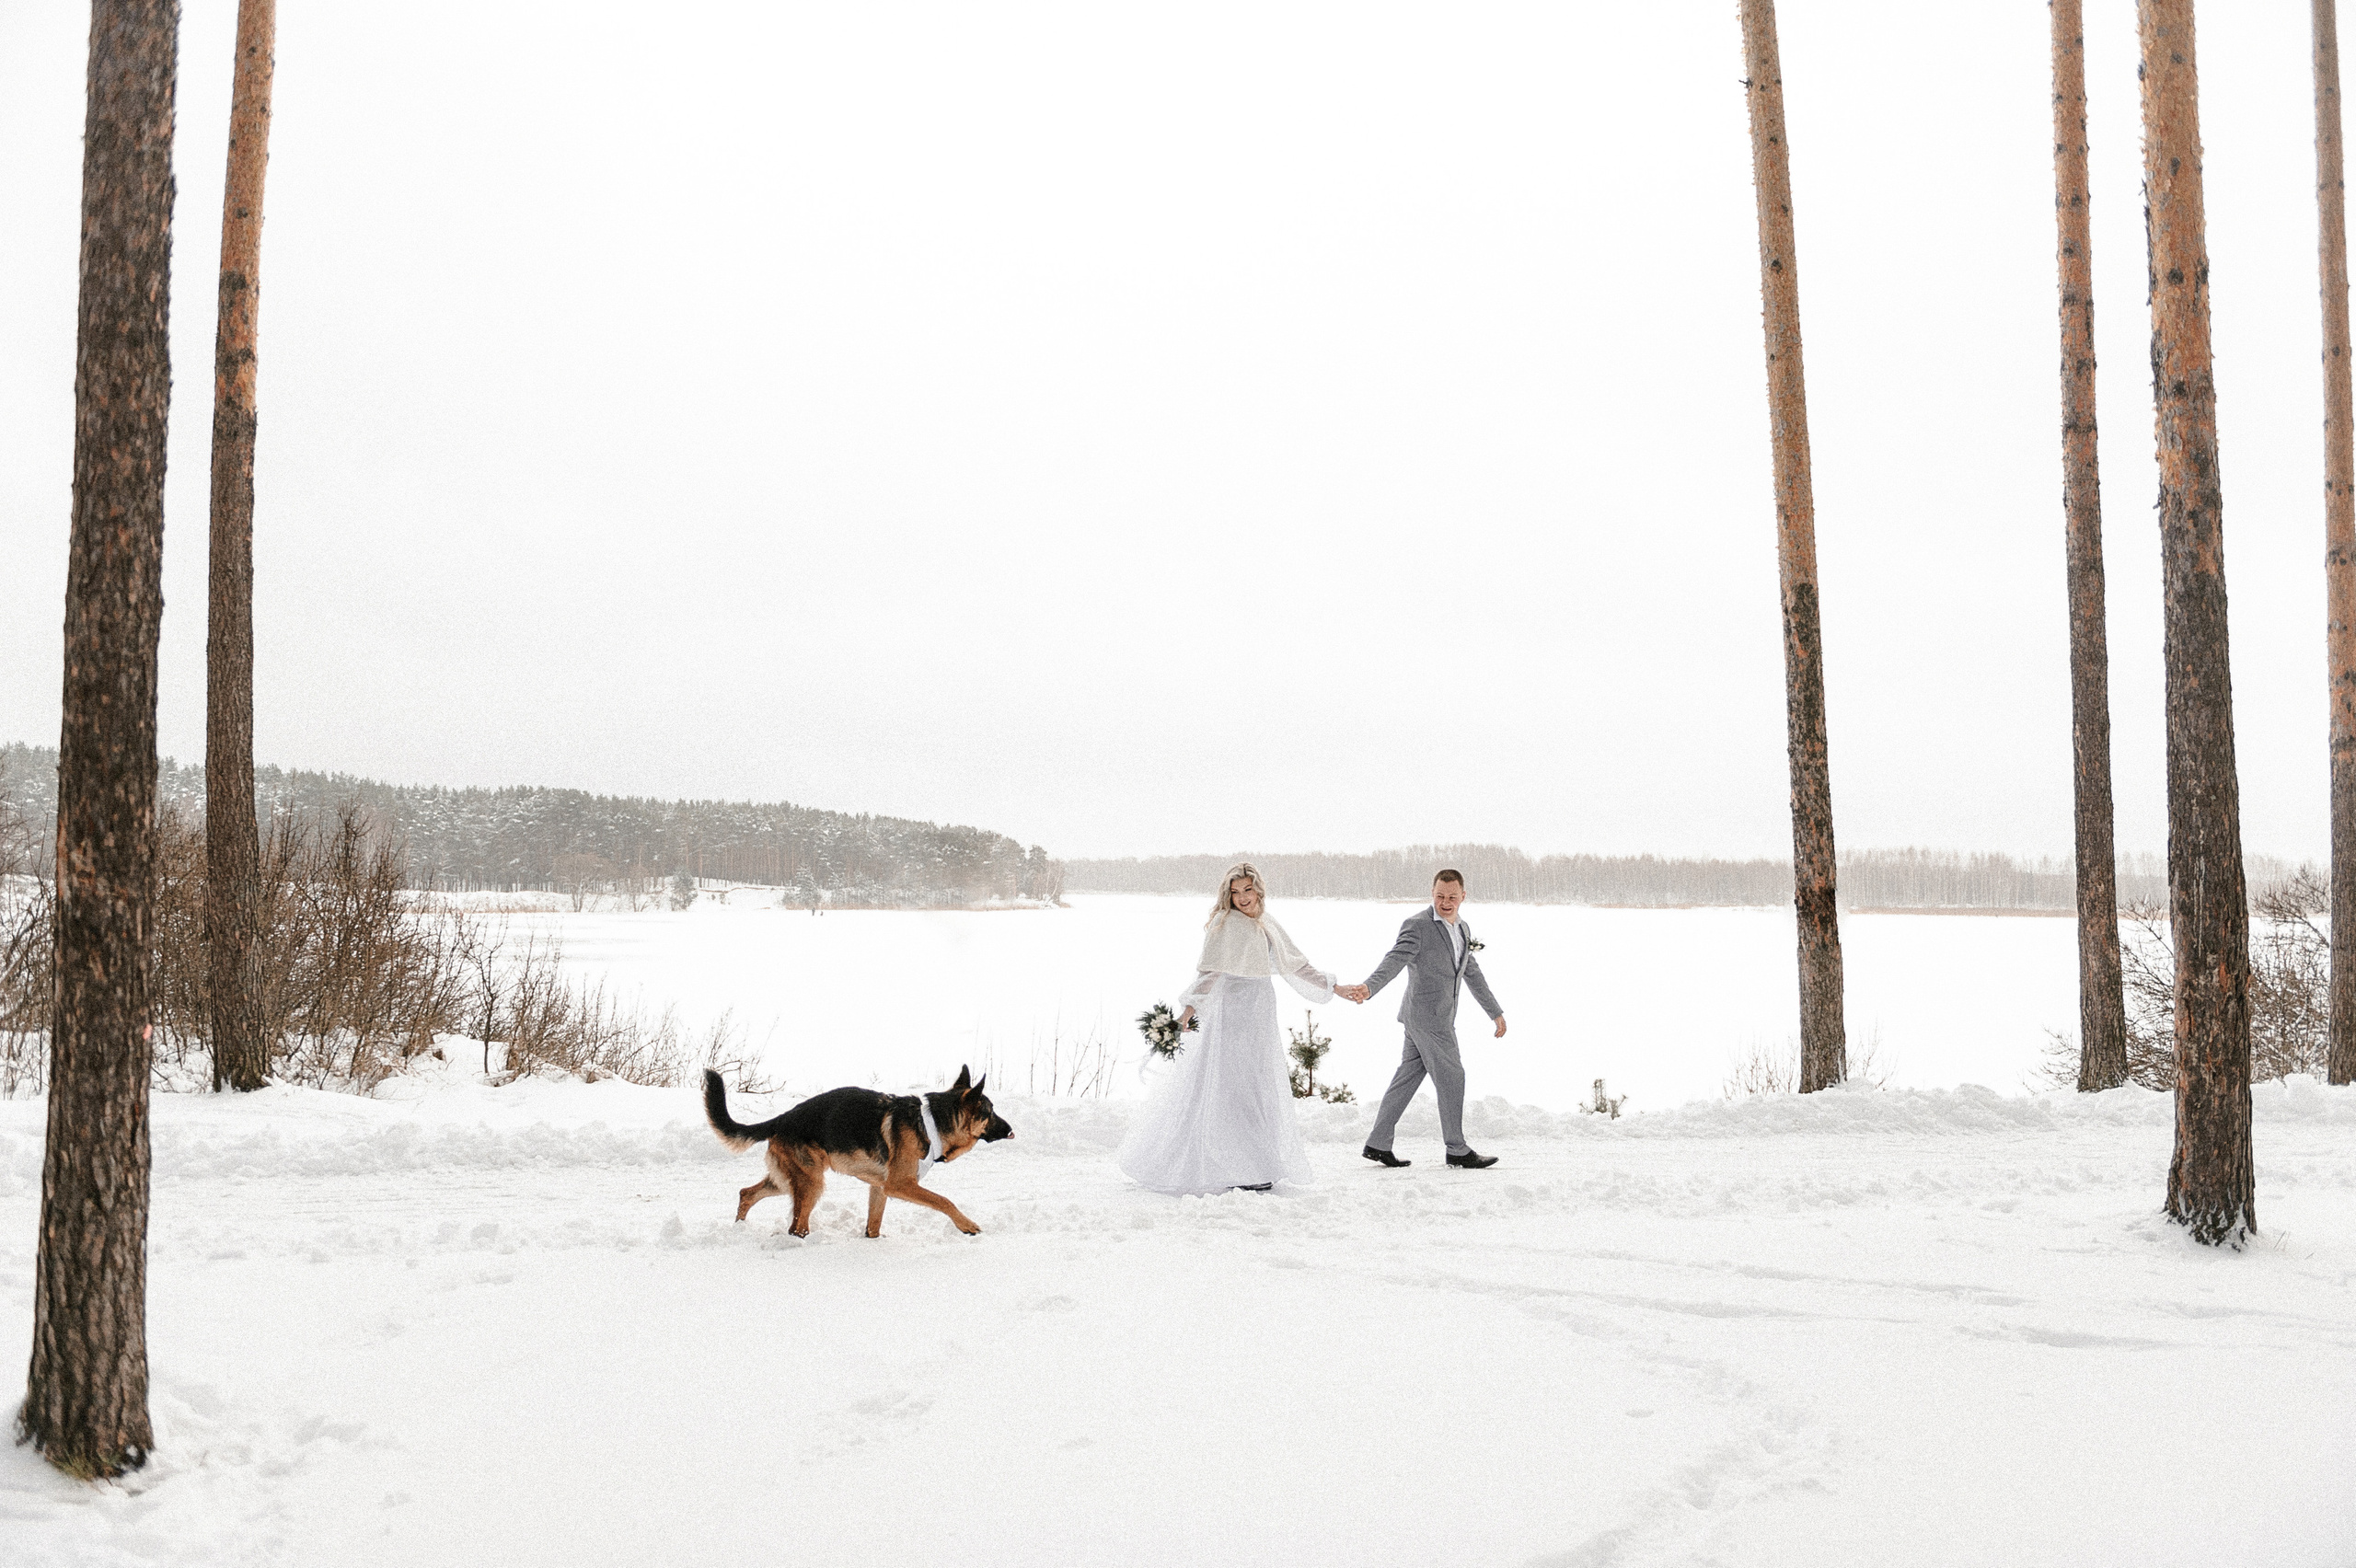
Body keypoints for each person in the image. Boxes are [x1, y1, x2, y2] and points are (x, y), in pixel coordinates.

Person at [1116, 862, 1345, 1194]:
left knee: (1257, 1084)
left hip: (1260, 1008)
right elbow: (1209, 973)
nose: (1241, 898)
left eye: (1247, 890)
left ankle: (1257, 1162)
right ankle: (1238, 1166)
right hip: (1232, 1012)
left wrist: (1334, 987)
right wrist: (1187, 1012)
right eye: (1235, 892)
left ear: (1258, 890)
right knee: (1232, 1086)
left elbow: (1295, 965)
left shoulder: (1266, 922)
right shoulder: (1224, 924)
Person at [1350, 868, 1507, 1170]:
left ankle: (1378, 1143)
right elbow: (1395, 960)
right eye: (1439, 896)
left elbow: (1470, 971)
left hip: (1433, 1017)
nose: (1445, 902)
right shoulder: (1418, 926)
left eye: (1451, 897)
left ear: (1463, 896)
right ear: (1432, 894)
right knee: (1453, 1076)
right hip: (1427, 1019)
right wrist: (1369, 987)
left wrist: (1495, 1012)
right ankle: (1457, 1149)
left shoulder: (1462, 928)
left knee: (1407, 1077)